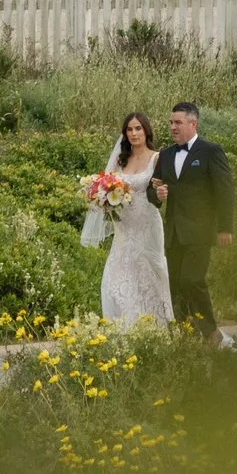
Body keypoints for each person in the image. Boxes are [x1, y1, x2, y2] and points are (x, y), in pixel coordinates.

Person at [150, 101, 234, 337]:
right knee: (175, 285)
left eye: (178, 122)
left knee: (192, 280)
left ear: (192, 123)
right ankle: (186, 332)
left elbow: (225, 190)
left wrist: (225, 227)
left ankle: (210, 331)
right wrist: (157, 194)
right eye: (171, 122)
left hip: (200, 231)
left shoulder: (211, 151)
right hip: (174, 232)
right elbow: (152, 190)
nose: (173, 127)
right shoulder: (165, 154)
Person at [82, 112, 174, 325]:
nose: (134, 133)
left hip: (147, 223)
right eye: (130, 129)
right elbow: (105, 187)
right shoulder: (119, 159)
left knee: (151, 272)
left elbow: (160, 190)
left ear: (146, 130)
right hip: (124, 225)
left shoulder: (157, 157)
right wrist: (103, 199)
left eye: (138, 128)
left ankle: (157, 323)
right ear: (125, 133)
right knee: (117, 275)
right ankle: (125, 325)